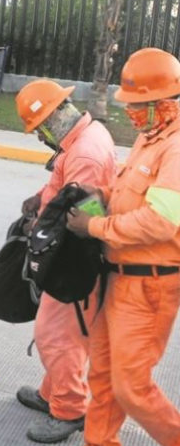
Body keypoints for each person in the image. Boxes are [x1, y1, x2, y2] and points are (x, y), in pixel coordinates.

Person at [67, 47, 180, 446]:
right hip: (119, 279)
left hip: (150, 287)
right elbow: (128, 192)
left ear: (162, 102)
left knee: (133, 388)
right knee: (103, 376)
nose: (131, 113)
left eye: (138, 105)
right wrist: (101, 191)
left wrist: (95, 225)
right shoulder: (151, 139)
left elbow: (161, 222)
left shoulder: (176, 148)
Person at [13, 79, 116, 443]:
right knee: (64, 334)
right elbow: (63, 190)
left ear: (56, 118)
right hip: (74, 256)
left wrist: (42, 234)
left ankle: (69, 409)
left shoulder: (85, 154)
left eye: (40, 129)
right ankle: (52, 393)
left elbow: (78, 217)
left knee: (55, 335)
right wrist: (40, 197)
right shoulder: (84, 138)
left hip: (74, 259)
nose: (40, 138)